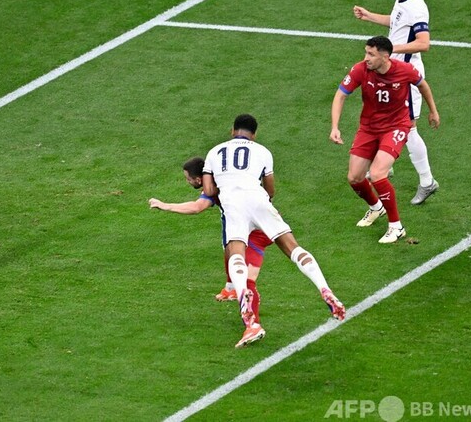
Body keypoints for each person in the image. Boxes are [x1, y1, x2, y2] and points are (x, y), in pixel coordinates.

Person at [202, 115, 345, 349]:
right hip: (259, 199)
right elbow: (270, 190)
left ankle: (244, 302)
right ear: (254, 134)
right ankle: (324, 288)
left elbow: (208, 190)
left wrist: (224, 186)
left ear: (232, 130)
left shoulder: (214, 152)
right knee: (293, 248)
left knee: (236, 254)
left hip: (233, 203)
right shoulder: (263, 152)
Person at [330, 36, 440, 244]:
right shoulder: (360, 69)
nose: (366, 58)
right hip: (368, 128)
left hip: (396, 126)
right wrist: (335, 126)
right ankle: (376, 208)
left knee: (378, 174)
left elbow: (423, 86)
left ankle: (396, 226)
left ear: (385, 56)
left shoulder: (404, 70)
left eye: (371, 54)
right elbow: (340, 95)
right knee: (354, 177)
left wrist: (433, 111)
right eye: (366, 52)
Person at [353, 0, 439, 204]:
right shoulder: (402, 0)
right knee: (384, 116)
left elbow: (423, 43)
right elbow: (397, 22)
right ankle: (385, 165)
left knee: (408, 128)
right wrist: (370, 16)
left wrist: (390, 49)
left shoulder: (417, 8)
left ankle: (427, 182)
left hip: (405, 77)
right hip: (391, 73)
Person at [148, 157, 274, 323]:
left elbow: (197, 207)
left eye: (188, 179)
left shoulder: (215, 186)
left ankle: (253, 324)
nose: (187, 182)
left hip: (257, 230)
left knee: (247, 280)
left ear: (199, 179)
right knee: (229, 247)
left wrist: (166, 206)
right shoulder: (223, 177)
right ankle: (232, 289)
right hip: (254, 221)